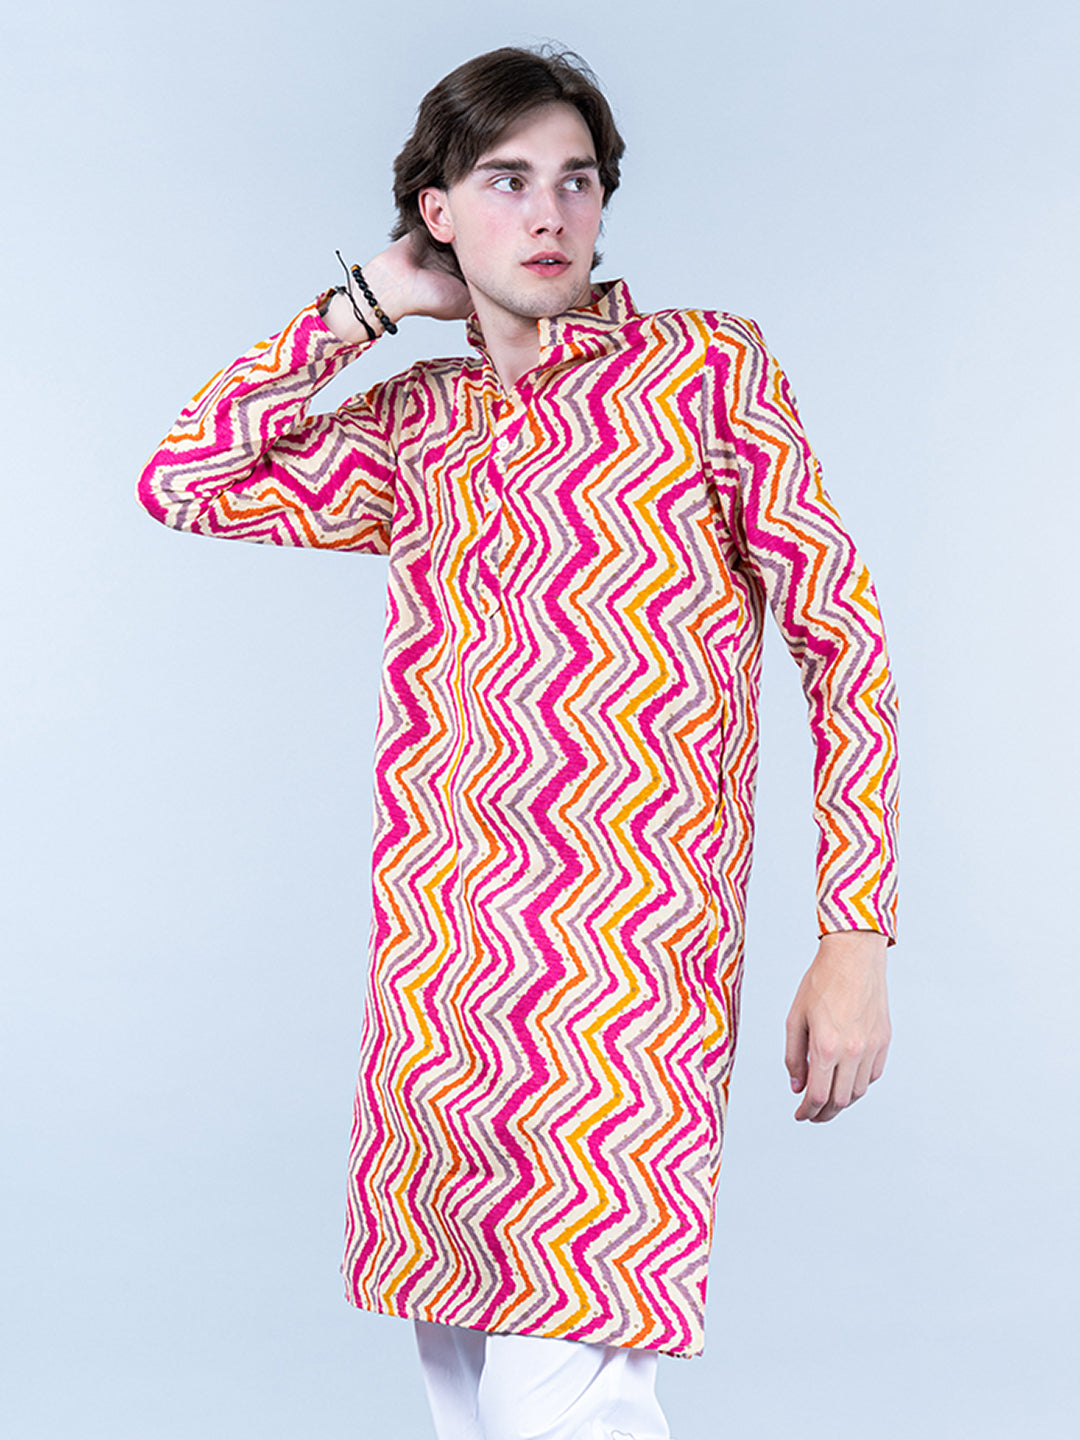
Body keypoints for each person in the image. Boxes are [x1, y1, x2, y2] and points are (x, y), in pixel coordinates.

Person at [138, 44, 898, 1440]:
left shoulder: (705, 374)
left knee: (568, 1406)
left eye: (576, 180)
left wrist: (854, 933)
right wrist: (364, 308)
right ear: (437, 212)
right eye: (505, 181)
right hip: (439, 990)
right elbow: (186, 477)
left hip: (623, 987)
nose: (550, 214)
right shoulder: (420, 423)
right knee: (472, 1401)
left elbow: (841, 641)